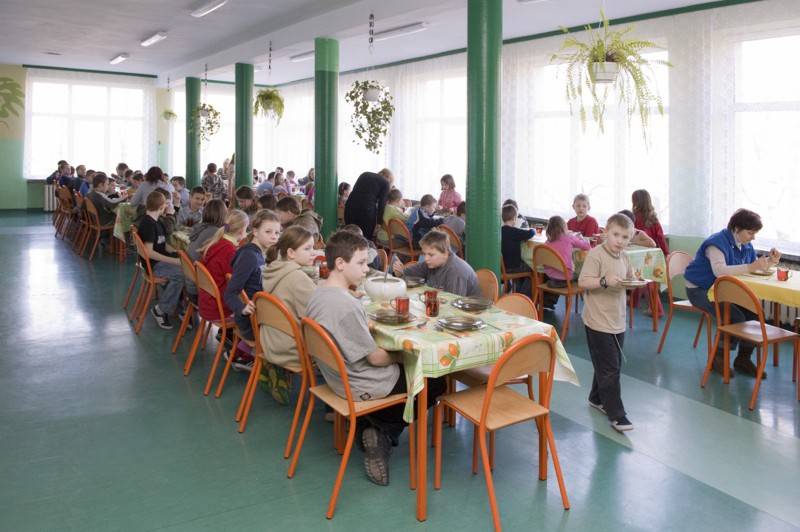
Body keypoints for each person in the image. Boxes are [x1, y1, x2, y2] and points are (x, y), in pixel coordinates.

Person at [306, 230, 445, 485]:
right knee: (435, 380)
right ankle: (382, 433)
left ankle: (370, 423)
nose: (365, 269)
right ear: (340, 263)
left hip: (335, 377)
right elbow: (376, 359)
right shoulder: (346, 305)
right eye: (361, 263)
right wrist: (403, 355)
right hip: (359, 383)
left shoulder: (318, 293)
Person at [684, 209, 781, 378]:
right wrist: (751, 266)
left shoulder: (745, 244)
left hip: (725, 291)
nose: (753, 237)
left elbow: (752, 268)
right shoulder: (715, 243)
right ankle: (718, 358)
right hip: (700, 290)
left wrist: (771, 261)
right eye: (750, 233)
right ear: (736, 229)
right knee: (733, 316)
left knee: (754, 314)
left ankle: (743, 359)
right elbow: (720, 271)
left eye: (755, 233)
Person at [578, 213, 635, 433]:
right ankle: (617, 414)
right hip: (597, 321)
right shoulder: (596, 255)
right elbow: (583, 282)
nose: (619, 241)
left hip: (617, 319)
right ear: (605, 233)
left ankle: (596, 397)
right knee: (610, 368)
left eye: (625, 237)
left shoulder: (624, 257)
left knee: (609, 364)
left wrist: (634, 281)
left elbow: (628, 279)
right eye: (616, 235)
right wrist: (604, 281)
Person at [260, 225, 317, 403]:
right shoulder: (298, 278)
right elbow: (317, 315)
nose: (313, 253)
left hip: (269, 341)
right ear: (291, 253)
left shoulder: (273, 269)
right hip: (291, 349)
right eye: (307, 248)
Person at [223, 210, 282, 371]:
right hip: (250, 321)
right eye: (268, 232)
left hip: (254, 315)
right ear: (255, 231)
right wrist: (242, 308)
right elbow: (229, 293)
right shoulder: (249, 256)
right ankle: (260, 363)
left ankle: (241, 353)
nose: (274, 236)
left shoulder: (256, 252)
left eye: (277, 233)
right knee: (290, 330)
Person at [136, 190, 184, 330]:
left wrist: (176, 252)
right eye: (167, 204)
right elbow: (149, 252)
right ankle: (161, 310)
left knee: (184, 270)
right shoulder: (148, 224)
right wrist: (174, 261)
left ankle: (176, 307)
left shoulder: (157, 221)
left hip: (158, 263)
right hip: (154, 266)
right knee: (182, 274)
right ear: (162, 206)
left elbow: (163, 245)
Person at [393, 230, 480, 297]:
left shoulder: (456, 271)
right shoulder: (431, 263)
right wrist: (399, 272)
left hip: (469, 313)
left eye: (431, 255)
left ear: (445, 253)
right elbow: (406, 273)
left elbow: (453, 303)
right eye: (424, 254)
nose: (426, 259)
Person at [541, 215, 591, 308]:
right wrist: (579, 238)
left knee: (559, 268)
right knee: (578, 270)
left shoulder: (547, 242)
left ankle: (550, 296)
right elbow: (587, 247)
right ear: (564, 227)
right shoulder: (569, 237)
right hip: (566, 276)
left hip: (550, 274)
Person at [344, 170, 393, 240]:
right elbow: (382, 205)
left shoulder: (365, 174)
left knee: (349, 236)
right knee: (365, 239)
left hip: (350, 206)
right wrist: (379, 223)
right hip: (366, 211)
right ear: (389, 179)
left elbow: (355, 191)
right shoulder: (386, 183)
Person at [500, 204, 536, 295]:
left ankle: (517, 292)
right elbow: (530, 233)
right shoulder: (514, 232)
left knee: (523, 266)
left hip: (502, 267)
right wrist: (534, 230)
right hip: (514, 266)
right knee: (533, 269)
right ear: (514, 218)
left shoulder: (500, 231)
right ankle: (523, 295)